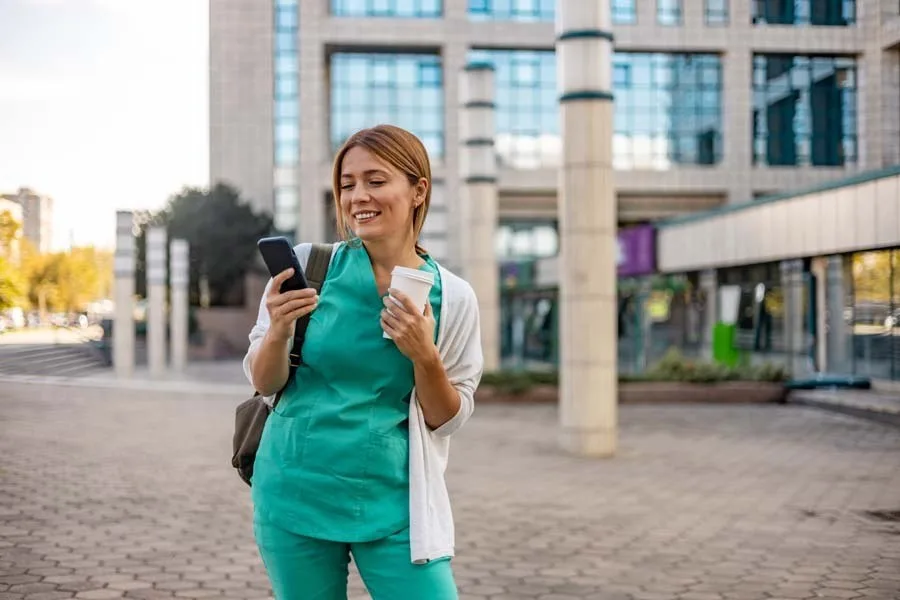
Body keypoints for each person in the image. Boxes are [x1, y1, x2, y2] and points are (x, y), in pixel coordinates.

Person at [243, 124, 483, 599]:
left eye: (376, 181)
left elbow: (448, 418)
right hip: (294, 491)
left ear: (418, 190)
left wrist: (424, 355)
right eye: (347, 184)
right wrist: (278, 329)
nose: (358, 197)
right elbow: (265, 382)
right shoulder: (309, 266)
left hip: (396, 503)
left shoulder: (453, 296)